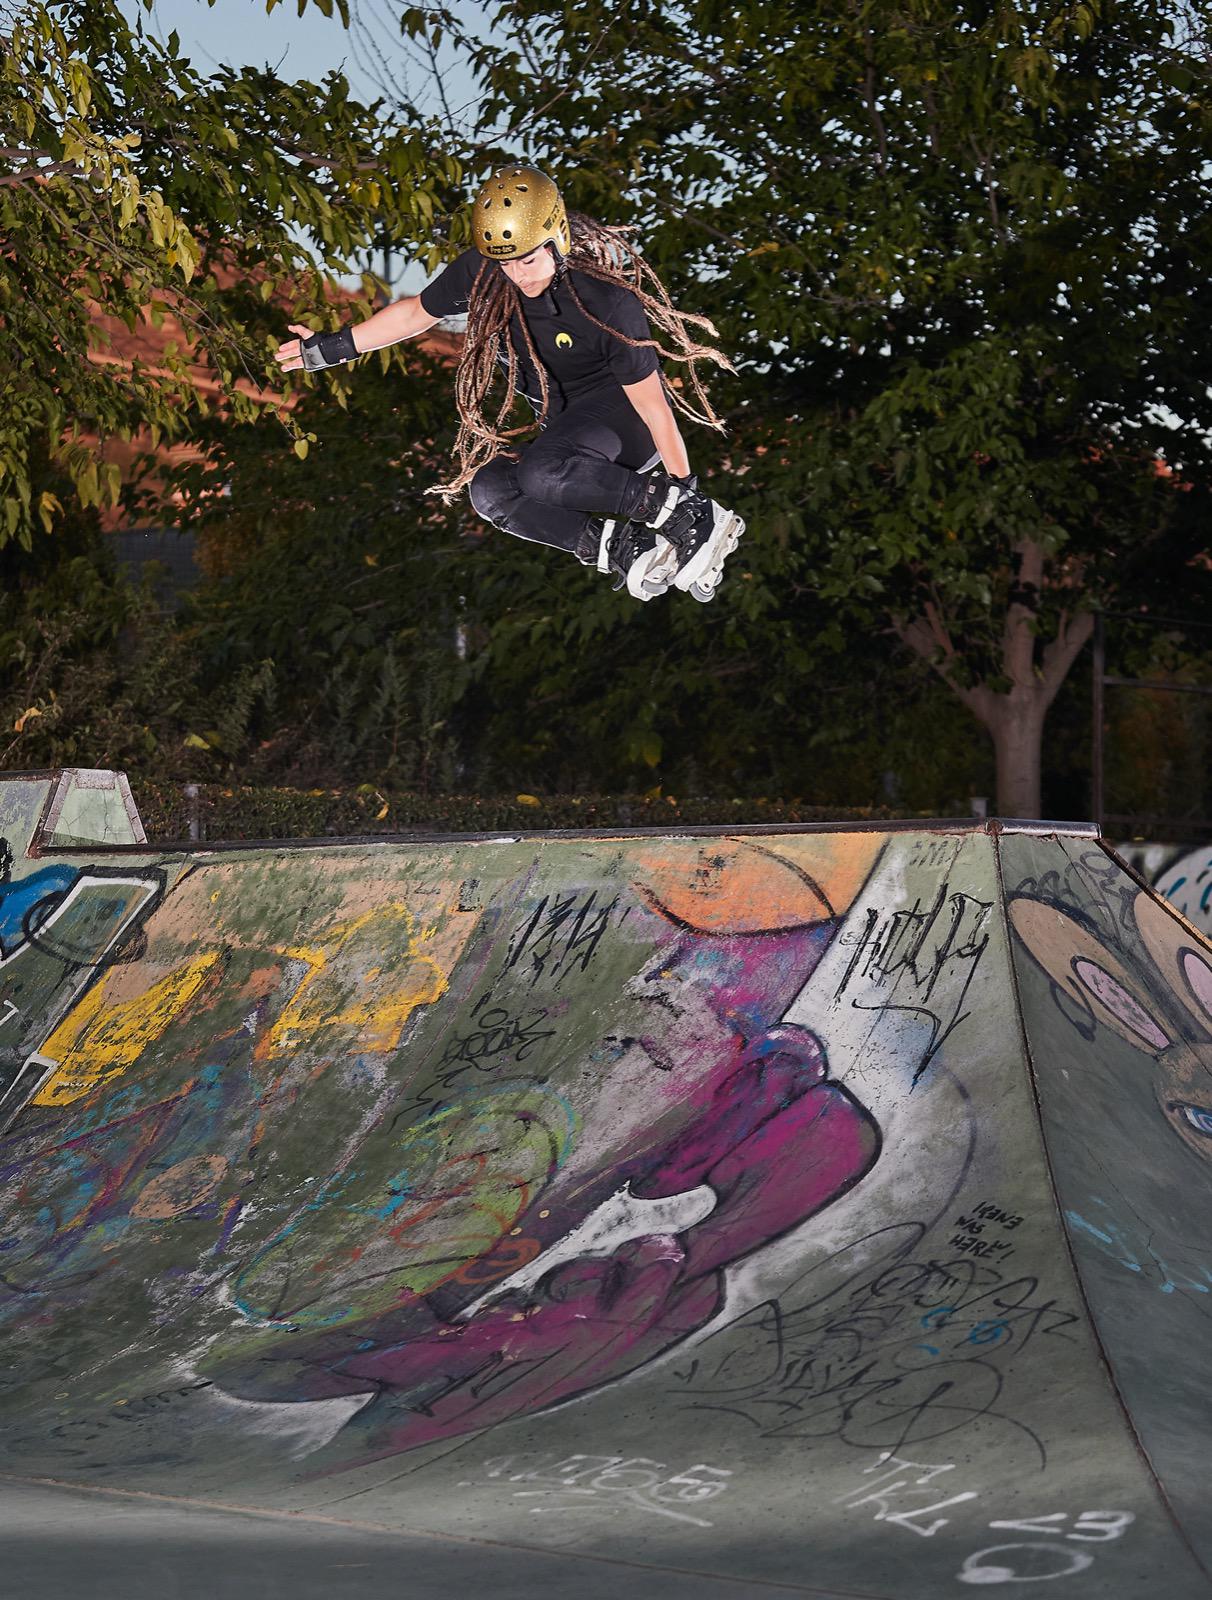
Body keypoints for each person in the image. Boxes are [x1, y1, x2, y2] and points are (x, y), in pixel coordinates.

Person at [274, 165, 745, 602]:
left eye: (528, 260)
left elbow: (654, 407)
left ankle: (688, 513)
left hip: (627, 423)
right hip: (568, 430)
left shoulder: (605, 301)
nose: (518, 276)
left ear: (556, 239)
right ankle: (624, 545)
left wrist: (684, 489)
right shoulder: (485, 274)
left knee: (541, 472)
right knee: (492, 491)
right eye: (506, 264)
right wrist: (328, 349)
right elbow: (416, 312)